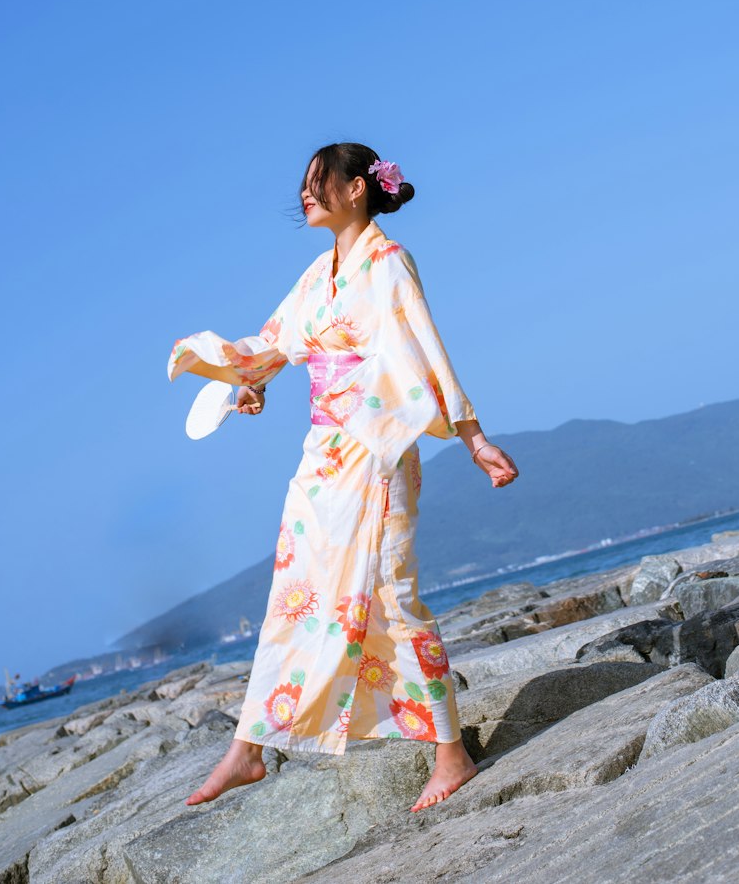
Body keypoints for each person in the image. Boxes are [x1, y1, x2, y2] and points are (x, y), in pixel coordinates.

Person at [166, 141, 519, 812]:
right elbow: (275, 343)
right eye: (303, 184)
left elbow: (427, 348)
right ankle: (248, 748)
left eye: (318, 181)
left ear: (358, 188)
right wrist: (242, 379)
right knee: (295, 592)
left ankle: (451, 754)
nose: (305, 193)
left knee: (392, 590)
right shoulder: (315, 274)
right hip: (321, 457)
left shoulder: (388, 263)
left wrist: (472, 436)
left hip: (376, 447)